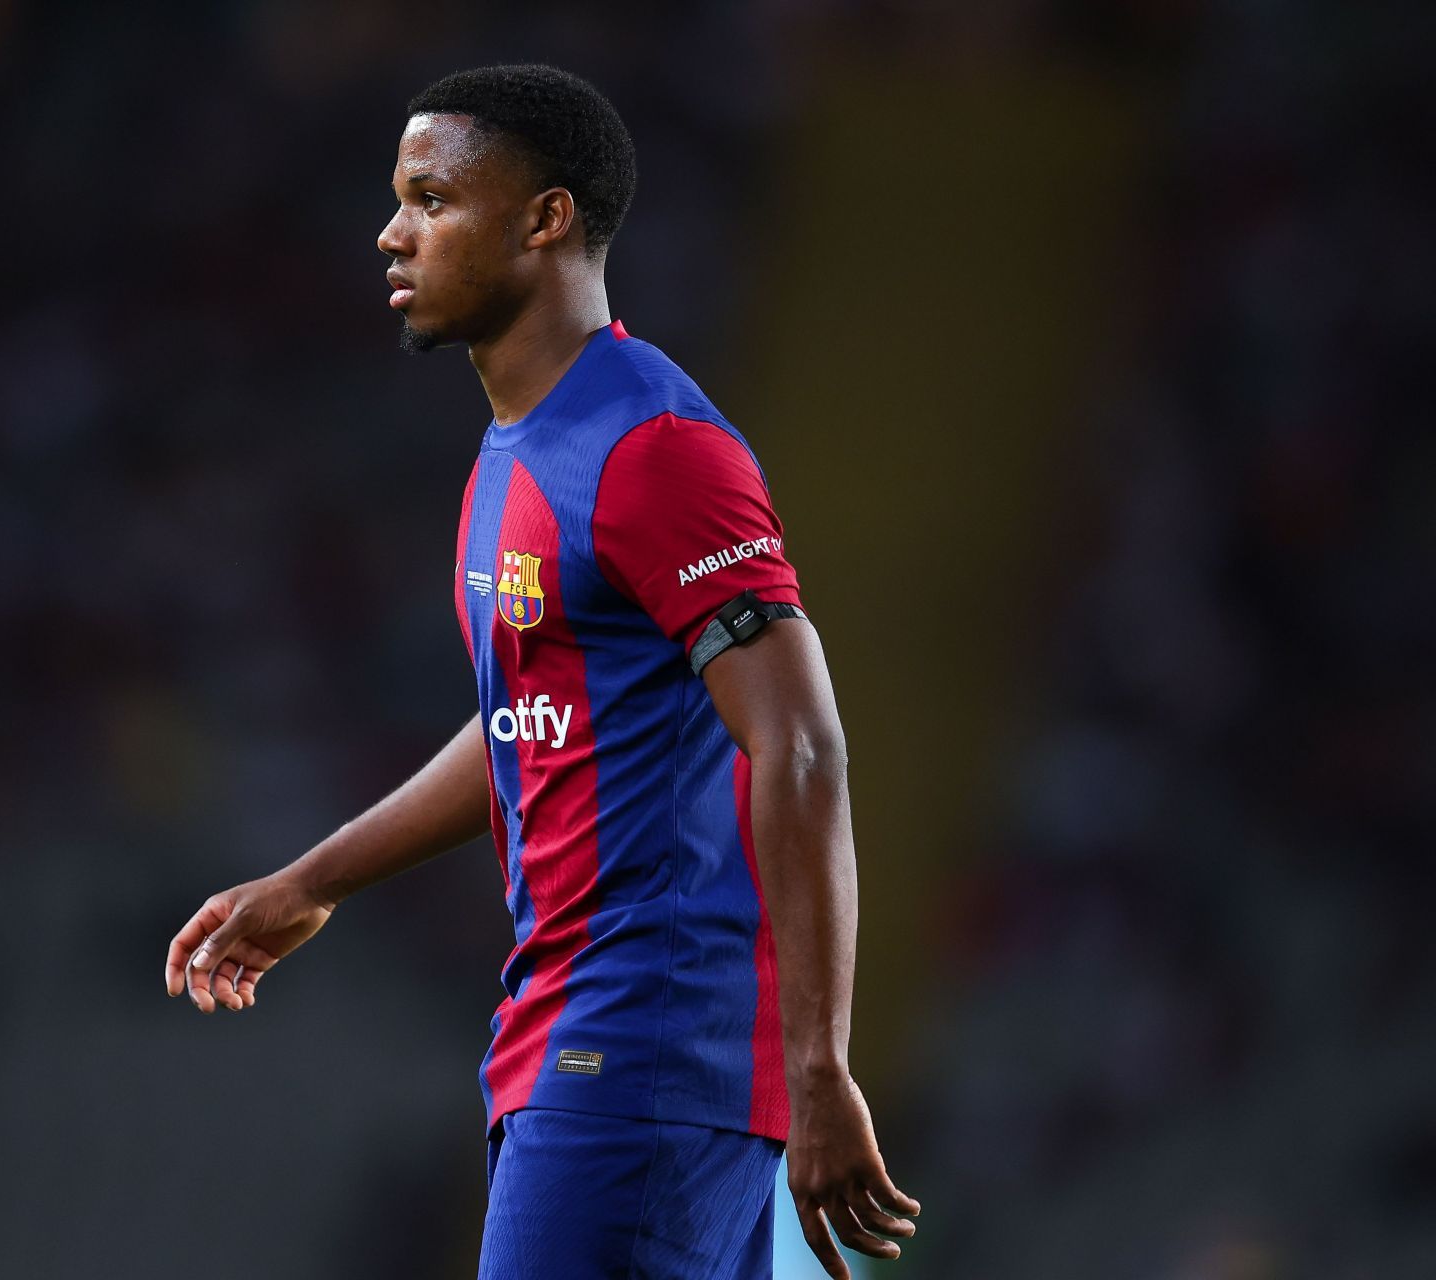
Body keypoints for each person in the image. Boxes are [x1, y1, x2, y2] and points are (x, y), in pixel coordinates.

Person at [165, 63, 920, 1279]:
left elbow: (804, 739)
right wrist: (317, 877)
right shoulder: (518, 452)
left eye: (430, 197)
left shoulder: (655, 447)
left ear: (544, 218)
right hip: (589, 1051)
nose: (391, 230)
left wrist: (821, 1067)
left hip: (643, 1054)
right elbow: (532, 717)